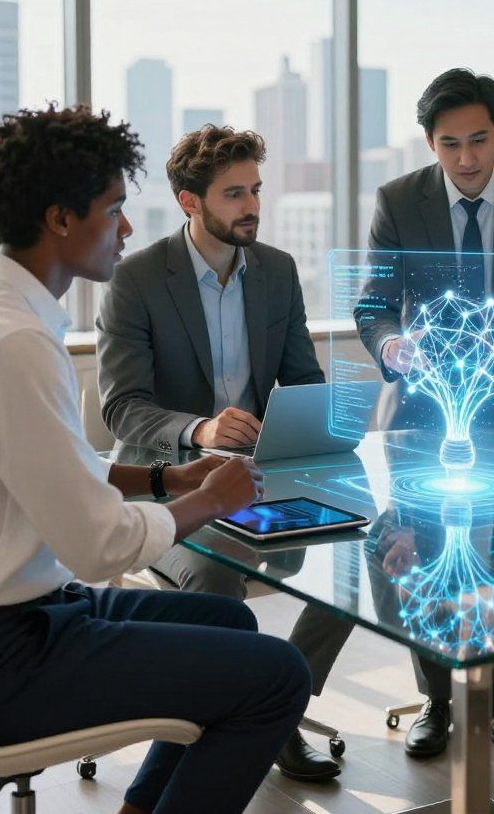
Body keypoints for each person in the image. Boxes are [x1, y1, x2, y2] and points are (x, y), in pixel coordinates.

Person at [0, 105, 310, 814]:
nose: (125, 227)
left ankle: (139, 807)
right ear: (60, 217)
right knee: (278, 677)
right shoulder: (12, 343)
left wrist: (164, 477)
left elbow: (47, 463)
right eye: (113, 208)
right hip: (0, 656)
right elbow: (98, 543)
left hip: (25, 614)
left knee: (230, 625)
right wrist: (209, 498)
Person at [96, 124, 347, 782]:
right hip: (172, 487)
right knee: (218, 577)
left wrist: (310, 424)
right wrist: (201, 430)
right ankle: (230, 733)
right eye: (234, 193)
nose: (251, 206)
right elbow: (121, 407)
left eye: (256, 190)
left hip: (267, 479)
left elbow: (302, 381)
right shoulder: (137, 280)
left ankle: (279, 711)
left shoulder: (278, 272)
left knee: (359, 549)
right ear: (189, 202)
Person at [355, 67, 494, 757]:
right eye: (450, 144)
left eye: (479, 140)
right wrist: (391, 343)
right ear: (430, 144)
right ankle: (436, 700)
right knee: (416, 548)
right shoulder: (398, 200)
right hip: (423, 411)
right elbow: (372, 305)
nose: (467, 158)